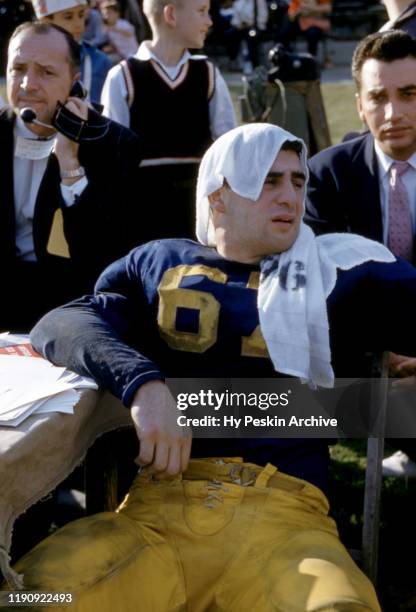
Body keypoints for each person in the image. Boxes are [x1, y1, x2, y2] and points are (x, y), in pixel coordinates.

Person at [10, 123, 416, 610]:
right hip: (158, 510)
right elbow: (64, 322)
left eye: (297, 180)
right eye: (269, 181)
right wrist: (145, 387)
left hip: (287, 516)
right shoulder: (160, 259)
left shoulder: (341, 266)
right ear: (219, 194)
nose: (291, 195)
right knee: (35, 598)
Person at [306, 29, 416, 477]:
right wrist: (384, 349)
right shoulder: (326, 174)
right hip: (362, 351)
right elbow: (317, 284)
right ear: (359, 105)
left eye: (409, 94)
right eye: (378, 97)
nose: (393, 113)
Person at [1, 20, 141, 332]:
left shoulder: (114, 145)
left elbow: (103, 253)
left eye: (46, 72)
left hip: (73, 305)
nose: (27, 84)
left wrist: (69, 163)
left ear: (74, 83)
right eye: (18, 69)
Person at [101, 0, 237, 240]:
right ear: (171, 14)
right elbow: (111, 157)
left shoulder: (208, 73)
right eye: (202, 11)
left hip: (200, 216)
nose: (209, 21)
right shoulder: (123, 76)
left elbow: (228, 147)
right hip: (141, 214)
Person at [31, 0, 112, 104]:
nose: (78, 24)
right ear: (46, 21)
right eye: (68, 17)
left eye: (81, 15)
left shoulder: (100, 62)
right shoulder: (31, 60)